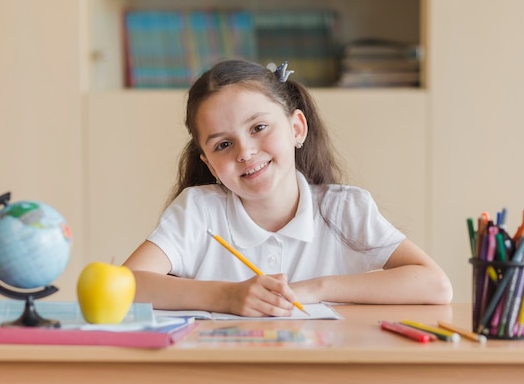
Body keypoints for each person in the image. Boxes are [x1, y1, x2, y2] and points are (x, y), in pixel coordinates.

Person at [124, 59, 452, 317]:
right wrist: (227, 296)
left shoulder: (344, 209)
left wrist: (315, 289)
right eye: (223, 144)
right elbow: (126, 285)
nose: (245, 152)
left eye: (259, 127)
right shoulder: (198, 210)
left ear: (296, 128)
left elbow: (435, 285)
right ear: (209, 164)